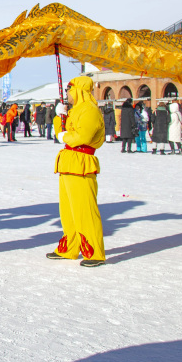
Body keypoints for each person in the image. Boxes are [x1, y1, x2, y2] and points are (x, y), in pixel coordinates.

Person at [47, 76, 105, 267]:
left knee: (85, 210)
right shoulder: (75, 110)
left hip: (81, 163)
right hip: (69, 162)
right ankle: (70, 247)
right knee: (68, 211)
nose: (67, 94)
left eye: (69, 91)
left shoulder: (90, 110)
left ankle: (94, 252)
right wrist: (59, 117)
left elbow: (83, 136)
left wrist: (66, 136)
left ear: (79, 90)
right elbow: (61, 134)